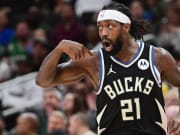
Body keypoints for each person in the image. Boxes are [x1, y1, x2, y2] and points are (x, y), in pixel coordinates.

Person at [36, 2, 180, 135]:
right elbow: (43, 80)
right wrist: (59, 49)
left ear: (126, 27)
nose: (103, 32)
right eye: (100, 27)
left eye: (109, 26)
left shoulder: (157, 56)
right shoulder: (93, 61)